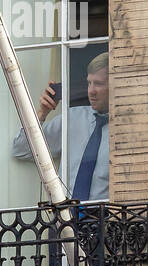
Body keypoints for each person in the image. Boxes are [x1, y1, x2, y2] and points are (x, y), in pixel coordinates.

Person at [11, 52, 109, 201]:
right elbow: (21, 149)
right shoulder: (72, 119)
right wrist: (42, 113)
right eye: (89, 83)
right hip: (65, 221)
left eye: (99, 84)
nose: (91, 91)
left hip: (107, 221)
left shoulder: (128, 128)